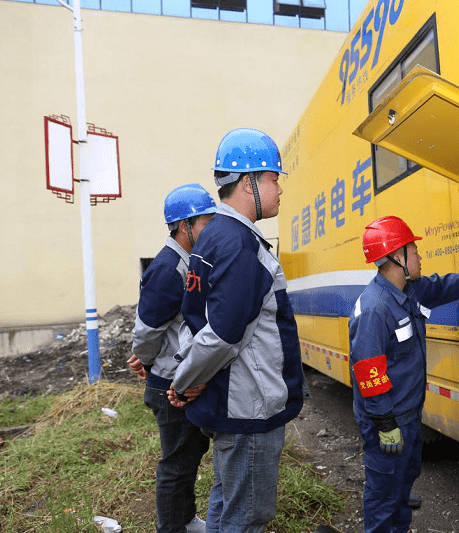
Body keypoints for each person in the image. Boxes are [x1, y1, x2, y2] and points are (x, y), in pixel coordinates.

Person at [167, 128, 306, 533]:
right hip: (248, 407)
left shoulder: (212, 239)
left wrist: (188, 378)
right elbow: (224, 335)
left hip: (230, 400)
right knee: (246, 518)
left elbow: (193, 322)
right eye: (274, 179)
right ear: (249, 183)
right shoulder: (241, 246)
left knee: (228, 502)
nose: (279, 190)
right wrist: (184, 381)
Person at [348, 215, 459, 533]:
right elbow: (368, 372)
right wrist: (385, 424)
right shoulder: (374, 309)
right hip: (388, 423)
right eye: (414, 250)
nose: (420, 256)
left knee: (403, 484)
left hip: (408, 417)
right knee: (383, 496)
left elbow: (441, 286)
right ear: (398, 257)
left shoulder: (406, 290)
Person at [128, 183, 217, 533]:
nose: (210, 229)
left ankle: (185, 519)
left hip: (176, 377)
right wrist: (144, 361)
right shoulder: (168, 269)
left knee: (189, 456)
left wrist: (145, 357)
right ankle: (171, 527)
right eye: (205, 223)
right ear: (185, 226)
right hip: (168, 384)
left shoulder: (185, 263)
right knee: (176, 464)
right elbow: (147, 331)